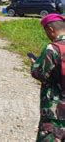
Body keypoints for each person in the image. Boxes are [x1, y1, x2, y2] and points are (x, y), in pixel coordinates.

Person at [30, 13, 65, 141]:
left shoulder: (52, 48)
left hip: (54, 110)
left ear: (51, 30)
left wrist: (35, 65)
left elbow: (40, 74)